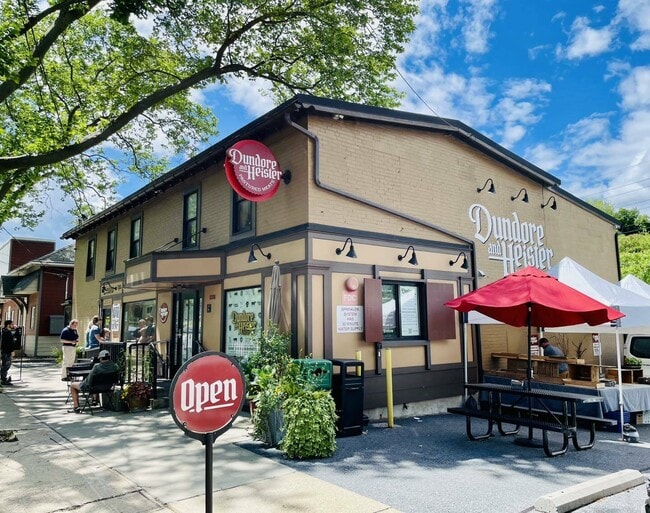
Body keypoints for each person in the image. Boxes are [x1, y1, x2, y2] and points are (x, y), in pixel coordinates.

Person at [1, 320, 16, 385]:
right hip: (6, 352)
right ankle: (3, 380)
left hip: (6, 351)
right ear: (8, 325)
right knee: (5, 366)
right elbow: (8, 343)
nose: (13, 325)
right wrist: (11, 351)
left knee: (6, 365)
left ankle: (3, 378)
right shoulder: (6, 332)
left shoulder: (6, 332)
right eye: (12, 324)